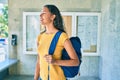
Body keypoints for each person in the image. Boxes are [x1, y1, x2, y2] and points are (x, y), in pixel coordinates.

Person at [34, 4, 79, 80]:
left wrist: (55, 61)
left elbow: (76, 61)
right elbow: (39, 61)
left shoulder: (62, 36)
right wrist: (35, 79)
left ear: (52, 16)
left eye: (44, 13)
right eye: (40, 13)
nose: (40, 15)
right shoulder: (40, 37)